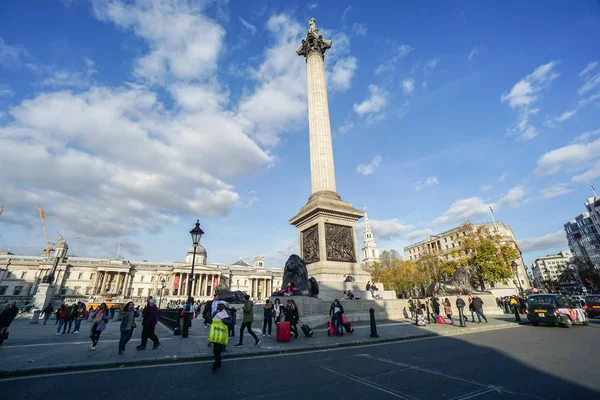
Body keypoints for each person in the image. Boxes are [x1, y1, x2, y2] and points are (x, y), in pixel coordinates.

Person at [209, 302, 232, 373]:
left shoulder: (227, 312)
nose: (218, 306)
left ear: (223, 306)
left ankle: (216, 364)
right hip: (215, 332)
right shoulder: (216, 312)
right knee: (216, 349)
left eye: (219, 305)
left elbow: (230, 321)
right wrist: (208, 318)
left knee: (218, 349)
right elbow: (210, 320)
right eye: (218, 305)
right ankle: (218, 361)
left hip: (222, 333)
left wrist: (223, 320)